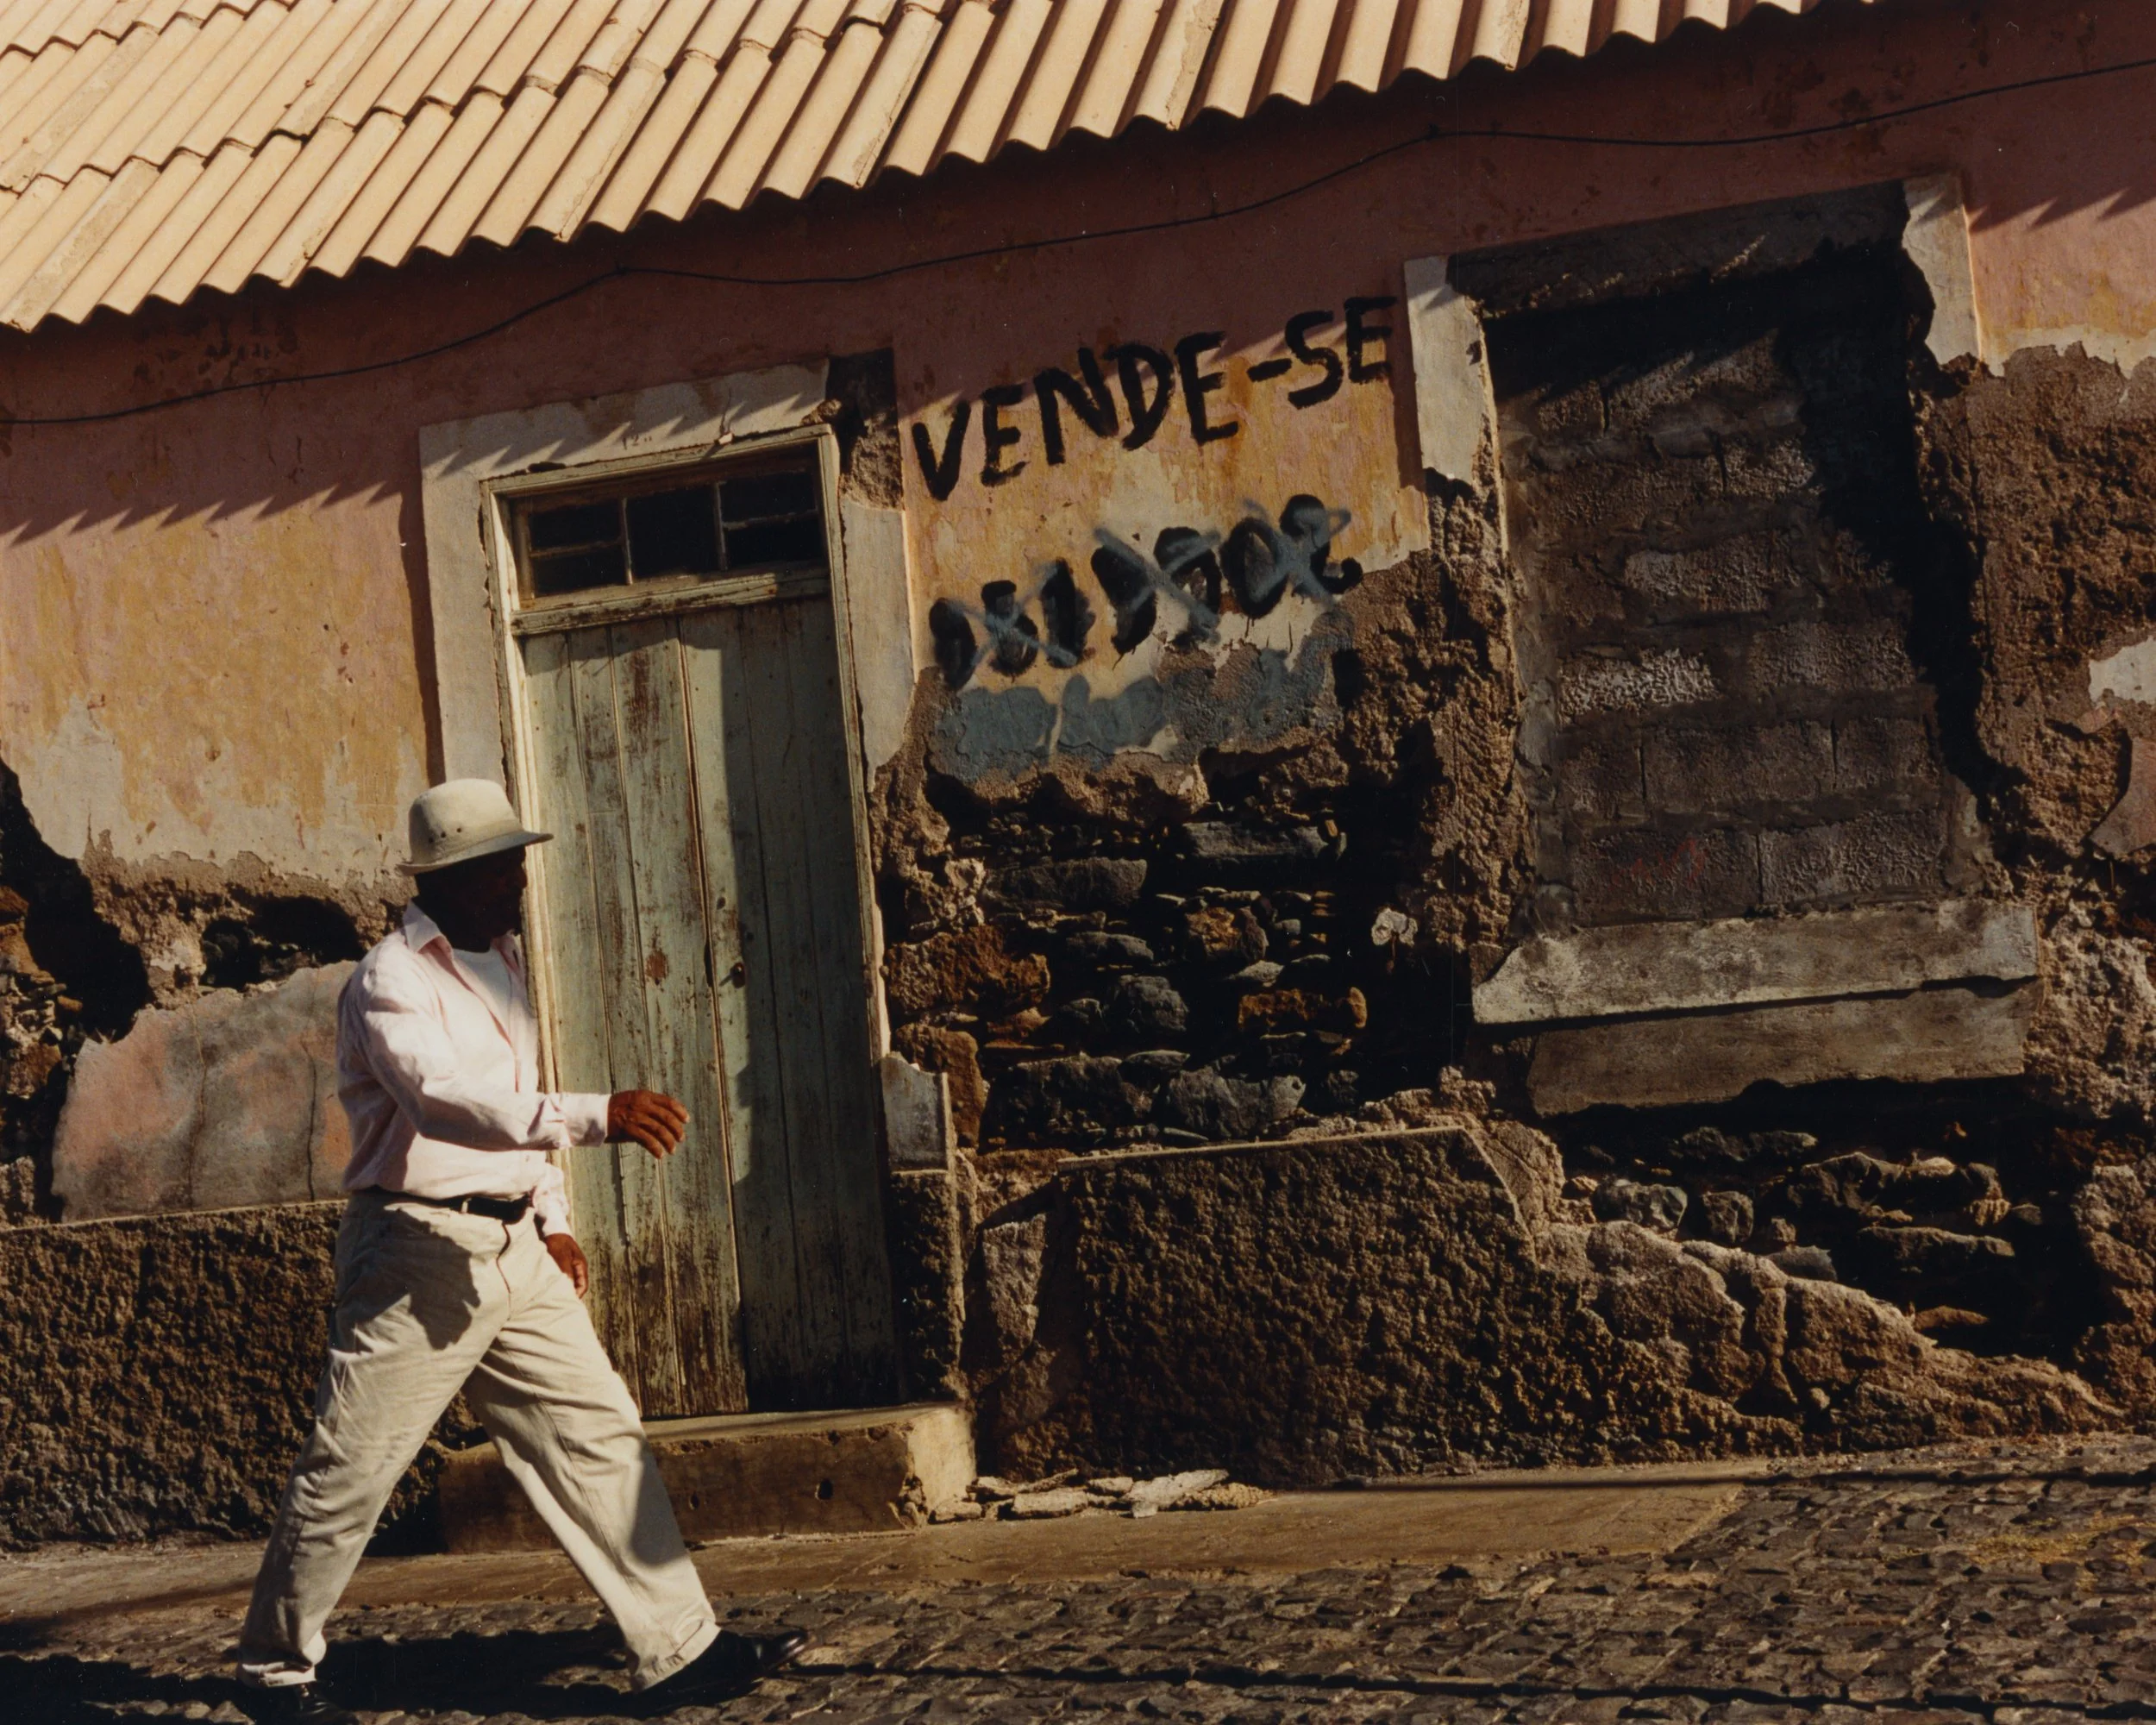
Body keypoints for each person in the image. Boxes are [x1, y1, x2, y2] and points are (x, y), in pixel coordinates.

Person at [235, 780, 804, 1722]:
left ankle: (681, 1647)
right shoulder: (389, 981)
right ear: (451, 876)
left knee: (599, 1432)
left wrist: (554, 1215)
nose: (520, 877)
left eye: (517, 858)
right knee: (352, 1466)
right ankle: (274, 1672)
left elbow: (517, 1097)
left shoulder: (501, 960)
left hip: (512, 1245)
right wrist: (600, 1114)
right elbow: (444, 1101)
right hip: (414, 1253)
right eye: (502, 864)